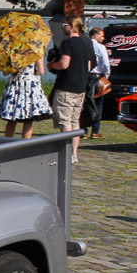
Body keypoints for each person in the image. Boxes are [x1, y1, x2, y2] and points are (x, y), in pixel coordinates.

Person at [48, 16, 95, 163]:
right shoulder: (87, 43)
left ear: (71, 26)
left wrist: (52, 66)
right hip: (80, 87)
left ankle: (66, 153)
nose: (63, 28)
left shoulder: (67, 43)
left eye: (64, 25)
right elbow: (89, 66)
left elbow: (64, 64)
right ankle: (74, 154)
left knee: (65, 121)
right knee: (75, 122)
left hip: (66, 86)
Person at [0, 58, 52, 139]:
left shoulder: (12, 53)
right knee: (28, 119)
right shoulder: (36, 51)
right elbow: (41, 71)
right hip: (30, 85)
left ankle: (7, 142)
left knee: (11, 119)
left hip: (15, 85)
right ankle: (25, 144)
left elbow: (5, 72)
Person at [86, 26, 111, 139]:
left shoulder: (84, 45)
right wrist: (106, 75)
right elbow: (105, 64)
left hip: (85, 76)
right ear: (96, 36)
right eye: (102, 36)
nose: (103, 38)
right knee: (98, 104)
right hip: (97, 77)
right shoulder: (101, 47)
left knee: (86, 103)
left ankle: (83, 130)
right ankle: (95, 131)